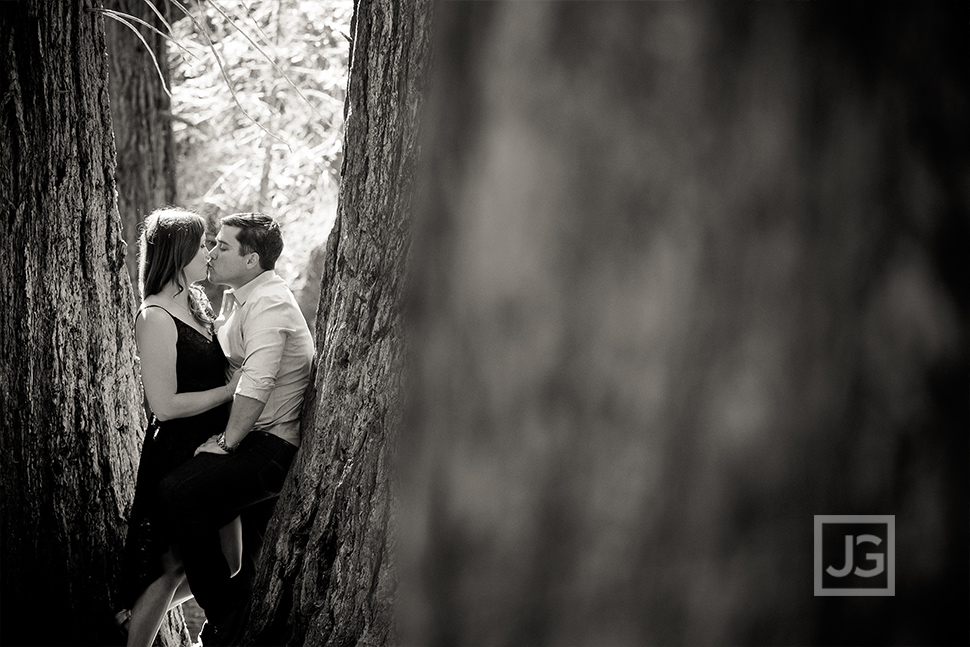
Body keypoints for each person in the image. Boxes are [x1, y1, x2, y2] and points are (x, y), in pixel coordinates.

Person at [158, 212, 315, 646]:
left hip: (269, 447)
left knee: (179, 492)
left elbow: (258, 381)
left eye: (222, 246)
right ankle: (227, 630)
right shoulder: (246, 297)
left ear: (252, 259)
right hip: (255, 439)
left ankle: (224, 615)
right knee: (254, 560)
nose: (210, 253)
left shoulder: (269, 304)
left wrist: (227, 443)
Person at [115, 208, 244, 647]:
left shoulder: (194, 302)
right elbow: (164, 405)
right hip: (178, 454)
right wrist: (229, 395)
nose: (209, 253)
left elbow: (209, 366)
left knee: (229, 561)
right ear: (179, 252)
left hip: (214, 449)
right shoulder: (153, 316)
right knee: (169, 566)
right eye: (203, 244)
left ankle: (137, 612)